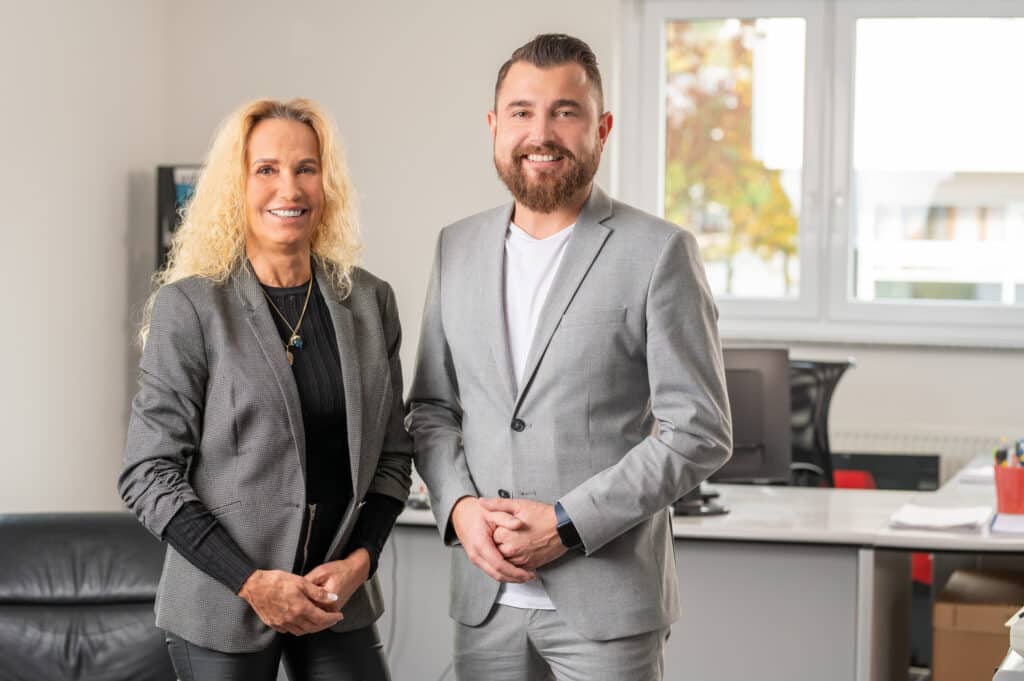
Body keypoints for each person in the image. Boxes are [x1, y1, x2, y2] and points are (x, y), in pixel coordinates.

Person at [407, 34, 733, 680]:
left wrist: (566, 524)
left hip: (608, 604)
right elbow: (431, 410)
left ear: (601, 129)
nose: (541, 133)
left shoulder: (658, 252)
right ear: (495, 127)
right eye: (522, 112)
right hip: (485, 604)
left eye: (565, 112)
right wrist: (459, 508)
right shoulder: (456, 248)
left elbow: (699, 430)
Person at [119, 98, 412, 681]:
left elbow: (393, 458)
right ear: (237, 185)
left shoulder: (369, 302)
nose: (290, 188)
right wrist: (251, 582)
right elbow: (148, 473)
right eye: (266, 169)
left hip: (335, 598)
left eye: (306, 168)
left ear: (327, 184)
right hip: (224, 600)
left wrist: (362, 560)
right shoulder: (192, 307)